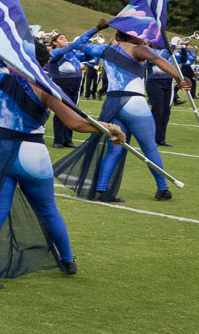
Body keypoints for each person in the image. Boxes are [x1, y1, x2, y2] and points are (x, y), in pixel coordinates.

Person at [0, 30, 122, 290]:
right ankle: (67, 260)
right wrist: (108, 128)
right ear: (43, 62)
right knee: (48, 209)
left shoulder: (0, 80)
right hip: (32, 155)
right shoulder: (49, 87)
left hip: (0, 152)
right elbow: (75, 123)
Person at [55, 19, 191, 202]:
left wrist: (96, 28)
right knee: (149, 147)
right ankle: (163, 188)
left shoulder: (104, 50)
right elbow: (158, 60)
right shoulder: (139, 49)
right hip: (134, 103)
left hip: (112, 103)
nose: (143, 38)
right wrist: (179, 78)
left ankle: (101, 190)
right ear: (132, 36)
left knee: (114, 149)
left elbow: (78, 44)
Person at [48, 33, 84, 148]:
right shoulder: (54, 52)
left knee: (73, 111)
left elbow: (86, 57)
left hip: (76, 84)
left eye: (65, 38)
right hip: (62, 84)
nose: (65, 40)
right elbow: (61, 53)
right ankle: (58, 140)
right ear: (54, 42)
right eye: (61, 38)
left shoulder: (72, 53)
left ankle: (68, 139)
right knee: (61, 111)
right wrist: (74, 45)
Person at [146, 43, 176, 147]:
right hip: (155, 82)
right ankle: (151, 137)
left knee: (166, 112)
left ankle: (160, 138)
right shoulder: (147, 50)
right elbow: (160, 58)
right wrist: (171, 47)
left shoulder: (168, 52)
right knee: (157, 110)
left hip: (168, 82)